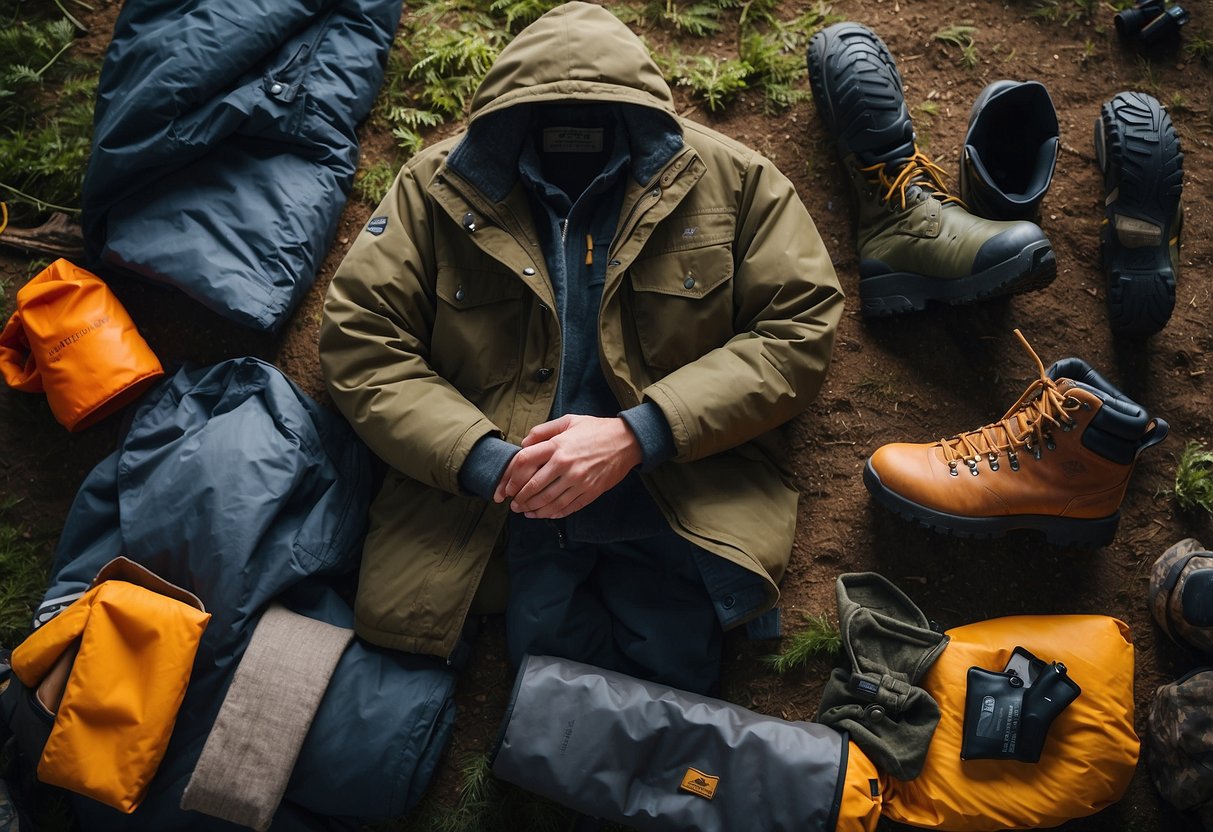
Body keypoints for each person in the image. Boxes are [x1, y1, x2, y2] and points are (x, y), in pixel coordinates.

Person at [320, 1, 844, 694]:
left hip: (682, 514)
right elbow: (361, 343)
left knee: (674, 721)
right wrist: (486, 461)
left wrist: (638, 433)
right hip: (504, 527)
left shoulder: (736, 181)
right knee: (547, 724)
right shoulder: (433, 189)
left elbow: (798, 326)